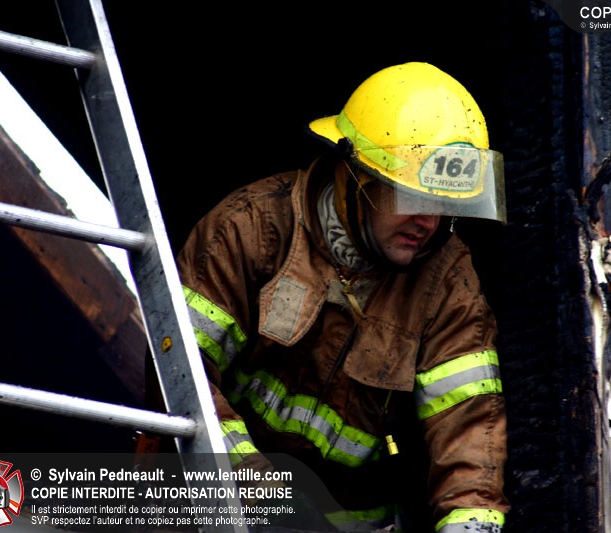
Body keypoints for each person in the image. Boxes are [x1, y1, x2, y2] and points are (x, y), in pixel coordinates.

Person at [176, 62, 510, 532]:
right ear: (354, 179)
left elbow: (471, 437)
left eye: (444, 205)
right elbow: (181, 377)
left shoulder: (448, 284)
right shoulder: (251, 229)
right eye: (412, 198)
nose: (429, 223)